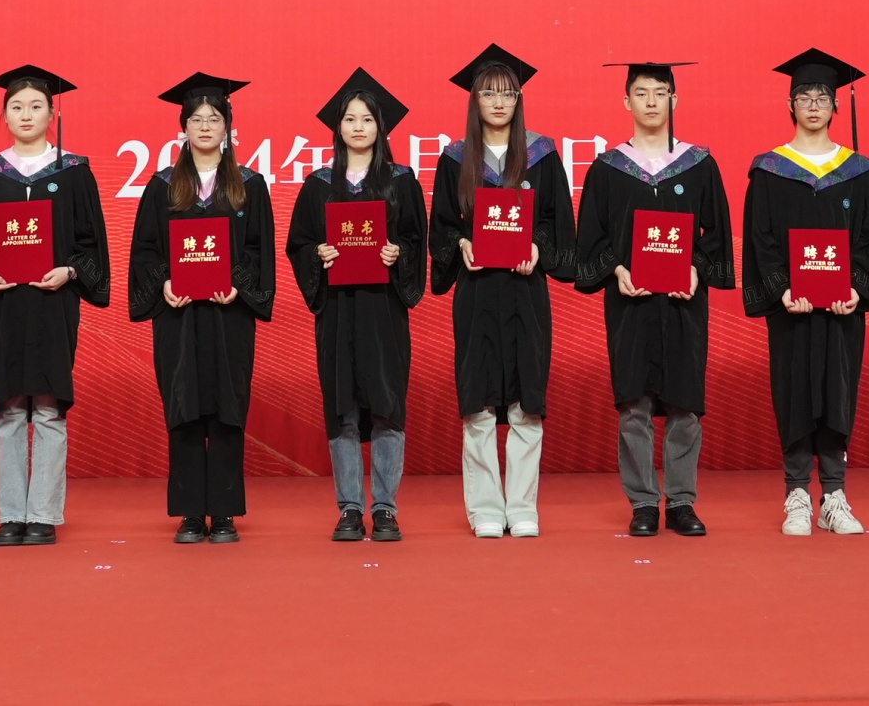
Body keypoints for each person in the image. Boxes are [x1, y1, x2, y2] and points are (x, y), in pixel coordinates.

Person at [0, 66, 109, 547]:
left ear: (52, 114)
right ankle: (10, 515)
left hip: (52, 304)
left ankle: (42, 514)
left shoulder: (74, 172)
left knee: (48, 407)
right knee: (9, 410)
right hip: (3, 305)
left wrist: (71, 272)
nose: (26, 114)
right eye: (16, 107)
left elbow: (92, 245)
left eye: (36, 106)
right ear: (4, 115)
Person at [574, 61, 733, 538]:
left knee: (685, 405)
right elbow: (591, 239)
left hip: (684, 302)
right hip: (631, 302)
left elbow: (717, 236)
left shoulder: (699, 165)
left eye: (659, 92)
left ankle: (681, 502)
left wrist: (696, 268)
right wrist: (617, 269)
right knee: (634, 403)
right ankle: (643, 502)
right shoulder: (608, 168)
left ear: (674, 100)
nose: (650, 101)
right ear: (626, 101)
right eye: (641, 93)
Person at [428, 44, 578, 539]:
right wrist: (462, 244)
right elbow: (442, 227)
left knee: (525, 402)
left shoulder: (542, 155)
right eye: (488, 93)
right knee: (479, 403)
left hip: (525, 293)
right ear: (474, 99)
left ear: (519, 99)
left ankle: (522, 506)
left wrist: (537, 246)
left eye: (507, 93)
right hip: (475, 292)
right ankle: (486, 507)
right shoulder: (455, 159)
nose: (498, 102)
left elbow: (558, 222)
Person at [741, 50, 869, 538]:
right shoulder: (770, 170)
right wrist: (782, 289)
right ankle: (798, 495)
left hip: (843, 307)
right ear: (790, 105)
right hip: (792, 308)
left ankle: (836, 496)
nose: (812, 105)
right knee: (795, 393)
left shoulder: (859, 172)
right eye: (803, 97)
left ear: (835, 106)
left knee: (838, 393)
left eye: (822, 97)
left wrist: (857, 288)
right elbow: (761, 239)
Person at [129, 73, 276, 544]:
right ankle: (192, 513)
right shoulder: (163, 186)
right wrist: (164, 282)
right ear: (184, 127)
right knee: (185, 406)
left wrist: (239, 284)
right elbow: (145, 250)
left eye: (214, 118)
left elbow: (259, 250)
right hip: (179, 315)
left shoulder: (249, 186)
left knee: (228, 408)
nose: (206, 126)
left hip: (229, 315)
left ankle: (225, 512)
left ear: (227, 126)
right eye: (196, 119)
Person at [286, 69, 427, 543]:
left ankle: (385, 508)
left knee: (387, 406)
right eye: (350, 119)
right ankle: (349, 507)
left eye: (367, 119)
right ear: (338, 126)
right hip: (338, 310)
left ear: (380, 126)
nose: (359, 127)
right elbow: (299, 243)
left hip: (383, 310)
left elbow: (416, 240)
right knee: (341, 407)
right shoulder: (318, 185)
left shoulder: (401, 182)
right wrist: (318, 255)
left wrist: (398, 254)